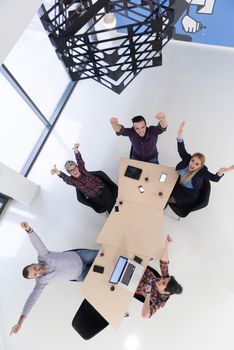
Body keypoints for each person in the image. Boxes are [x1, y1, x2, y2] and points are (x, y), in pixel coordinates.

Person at [10, 221, 99, 335]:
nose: (38, 271)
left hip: (82, 256)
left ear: (34, 263)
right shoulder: (41, 282)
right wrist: (20, 321)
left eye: (35, 268)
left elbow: (37, 244)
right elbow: (31, 300)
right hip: (81, 274)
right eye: (35, 274)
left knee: (107, 256)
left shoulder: (44, 255)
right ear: (35, 278)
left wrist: (28, 230)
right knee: (103, 277)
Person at [168, 121, 234, 207]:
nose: (192, 165)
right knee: (162, 192)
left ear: (200, 166)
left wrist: (221, 171)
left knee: (165, 199)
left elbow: (214, 178)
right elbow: (181, 150)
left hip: (188, 195)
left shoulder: (202, 171)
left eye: (197, 164)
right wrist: (179, 136)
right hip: (179, 186)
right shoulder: (187, 159)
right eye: (192, 161)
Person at [51, 143, 118, 214]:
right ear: (69, 173)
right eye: (71, 170)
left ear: (77, 167)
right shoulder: (72, 181)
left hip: (101, 187)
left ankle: (116, 212)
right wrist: (57, 172)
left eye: (75, 168)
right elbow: (65, 178)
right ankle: (115, 214)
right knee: (106, 205)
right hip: (94, 196)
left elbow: (80, 161)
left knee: (111, 202)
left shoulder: (82, 169)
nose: (74, 171)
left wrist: (76, 150)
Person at [134, 235, 182, 318]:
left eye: (163, 283)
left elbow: (145, 315)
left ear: (166, 292)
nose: (160, 280)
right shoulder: (166, 279)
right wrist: (167, 245)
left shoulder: (159, 301)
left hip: (134, 283)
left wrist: (148, 294)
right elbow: (164, 263)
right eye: (163, 279)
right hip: (140, 269)